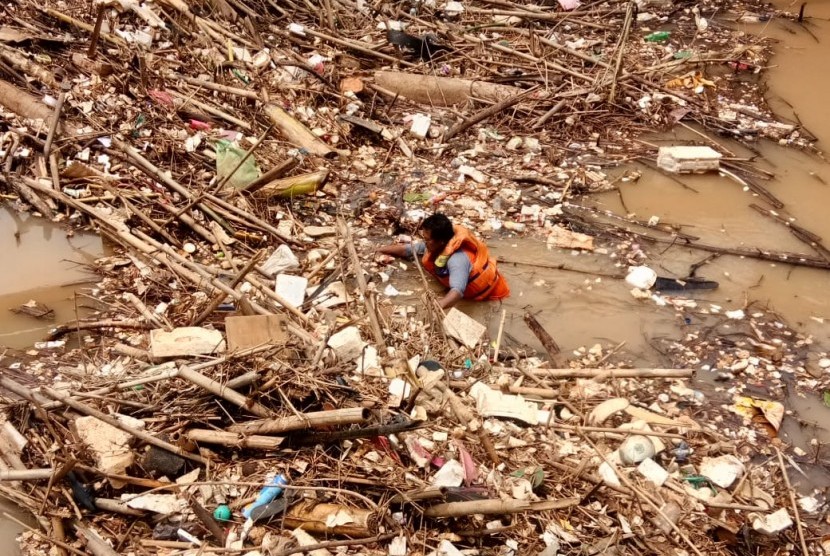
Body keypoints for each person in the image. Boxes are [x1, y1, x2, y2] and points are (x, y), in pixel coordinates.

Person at [376, 213, 510, 309]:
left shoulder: (457, 260)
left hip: (489, 297)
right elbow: (408, 250)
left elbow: (457, 291)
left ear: (440, 241)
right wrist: (381, 250)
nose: (424, 242)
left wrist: (440, 305)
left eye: (427, 239)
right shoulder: (434, 246)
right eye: (424, 238)